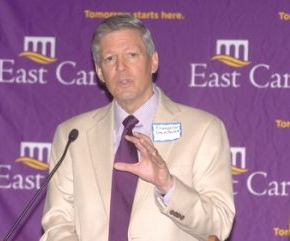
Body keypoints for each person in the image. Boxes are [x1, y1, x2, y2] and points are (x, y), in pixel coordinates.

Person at [40, 15, 235, 241]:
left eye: (131, 55)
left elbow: (218, 224)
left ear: (153, 62)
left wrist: (168, 186)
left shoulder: (202, 129)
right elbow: (58, 223)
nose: (121, 67)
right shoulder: (72, 136)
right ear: (100, 72)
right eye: (110, 59)